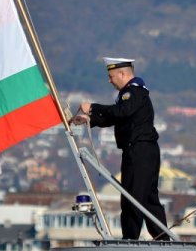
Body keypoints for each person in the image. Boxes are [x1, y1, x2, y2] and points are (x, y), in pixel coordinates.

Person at [71, 57, 170, 240]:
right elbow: (116, 117)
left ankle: (130, 240)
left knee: (132, 198)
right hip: (139, 151)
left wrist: (93, 107)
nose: (109, 81)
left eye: (111, 76)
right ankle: (162, 238)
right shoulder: (128, 95)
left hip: (140, 151)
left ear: (122, 73)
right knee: (148, 199)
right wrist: (90, 120)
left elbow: (122, 112)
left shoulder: (133, 92)